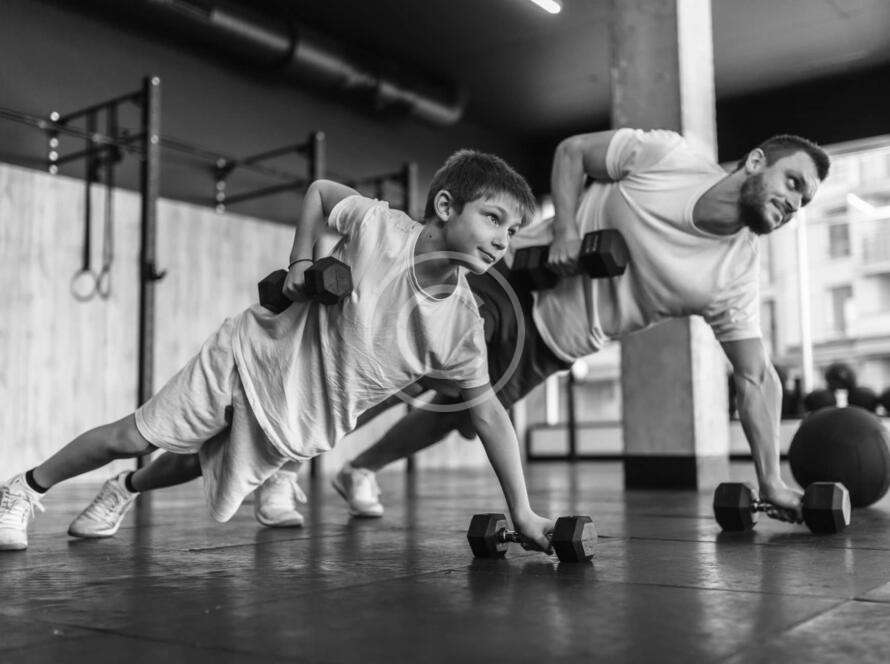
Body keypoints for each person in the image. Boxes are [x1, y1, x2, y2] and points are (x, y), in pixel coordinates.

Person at [0, 149, 556, 553]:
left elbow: (489, 415)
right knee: (134, 436)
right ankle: (23, 489)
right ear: (446, 206)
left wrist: (523, 511)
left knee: (198, 462)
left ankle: (123, 488)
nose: (503, 240)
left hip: (298, 418)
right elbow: (320, 192)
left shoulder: (461, 327)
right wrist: (300, 262)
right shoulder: (380, 229)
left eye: (513, 231)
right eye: (493, 218)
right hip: (249, 357)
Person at [321, 128, 830, 521]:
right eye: (793, 182)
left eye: (804, 201)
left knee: (460, 412)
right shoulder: (668, 158)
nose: (794, 204)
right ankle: (296, 447)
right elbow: (573, 152)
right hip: (514, 274)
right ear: (756, 161)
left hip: (555, 343)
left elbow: (755, 376)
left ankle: (358, 469)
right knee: (420, 361)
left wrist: (771, 479)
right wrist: (566, 229)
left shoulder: (735, 275)